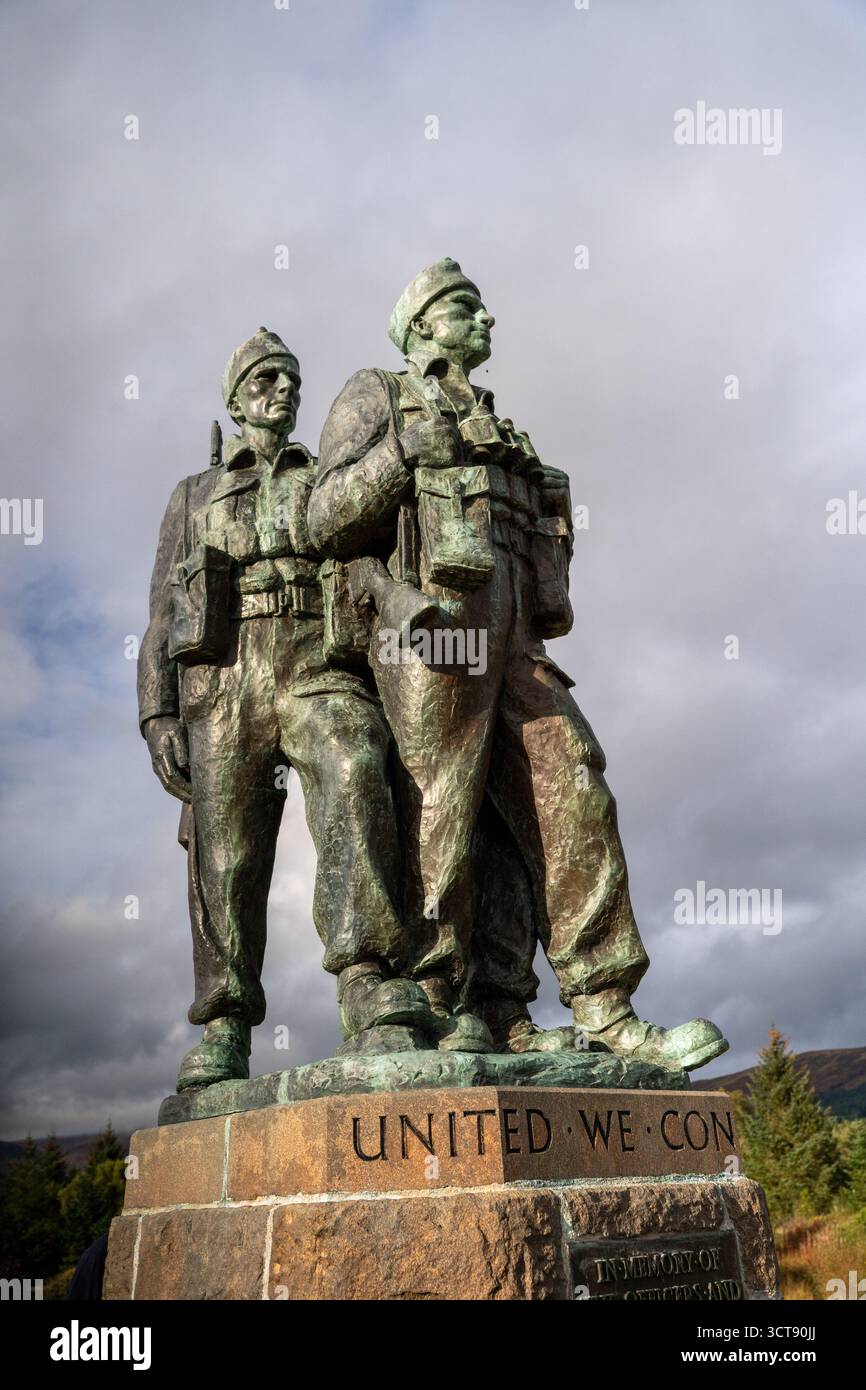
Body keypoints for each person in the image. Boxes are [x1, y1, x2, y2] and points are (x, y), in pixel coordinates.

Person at [309, 260, 728, 1070]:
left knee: (571, 776)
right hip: (434, 624)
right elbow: (325, 518)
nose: (489, 318)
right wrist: (399, 452)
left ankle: (603, 1003)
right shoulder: (378, 394)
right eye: (467, 307)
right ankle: (438, 1000)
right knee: (443, 802)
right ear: (424, 323)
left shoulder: (503, 421)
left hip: (516, 635)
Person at [138, 329, 438, 1089]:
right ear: (235, 398)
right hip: (224, 672)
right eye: (265, 379)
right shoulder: (192, 494)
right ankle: (225, 1021)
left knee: (356, 764)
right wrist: (158, 714)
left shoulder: (320, 474)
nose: (281, 391)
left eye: (290, 380)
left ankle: (368, 976)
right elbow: (159, 614)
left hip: (314, 656)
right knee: (226, 846)